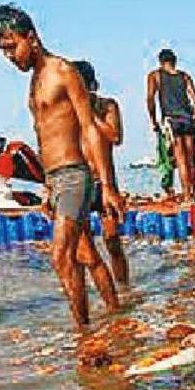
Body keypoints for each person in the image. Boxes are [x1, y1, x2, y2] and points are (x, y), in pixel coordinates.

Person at [0, 4, 121, 329]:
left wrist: (109, 185)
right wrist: (47, 186)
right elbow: (44, 135)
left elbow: (89, 128)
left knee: (60, 256)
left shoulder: (63, 71)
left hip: (75, 174)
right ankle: (117, 316)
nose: (10, 56)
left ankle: (83, 331)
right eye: (3, 51)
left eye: (11, 47)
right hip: (57, 179)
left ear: (30, 37)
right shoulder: (34, 82)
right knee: (85, 255)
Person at [72, 60, 129, 285]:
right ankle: (104, 295)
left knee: (112, 240)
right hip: (79, 182)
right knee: (84, 250)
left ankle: (124, 287)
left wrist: (90, 115)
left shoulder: (108, 106)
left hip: (105, 183)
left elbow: (115, 137)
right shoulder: (68, 111)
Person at [147, 49, 195, 198]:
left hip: (171, 120)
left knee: (180, 158)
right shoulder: (184, 76)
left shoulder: (155, 75)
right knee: (190, 158)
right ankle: (194, 192)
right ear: (174, 61)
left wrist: (153, 121)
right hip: (187, 119)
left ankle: (187, 194)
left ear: (160, 61)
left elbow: (150, 99)